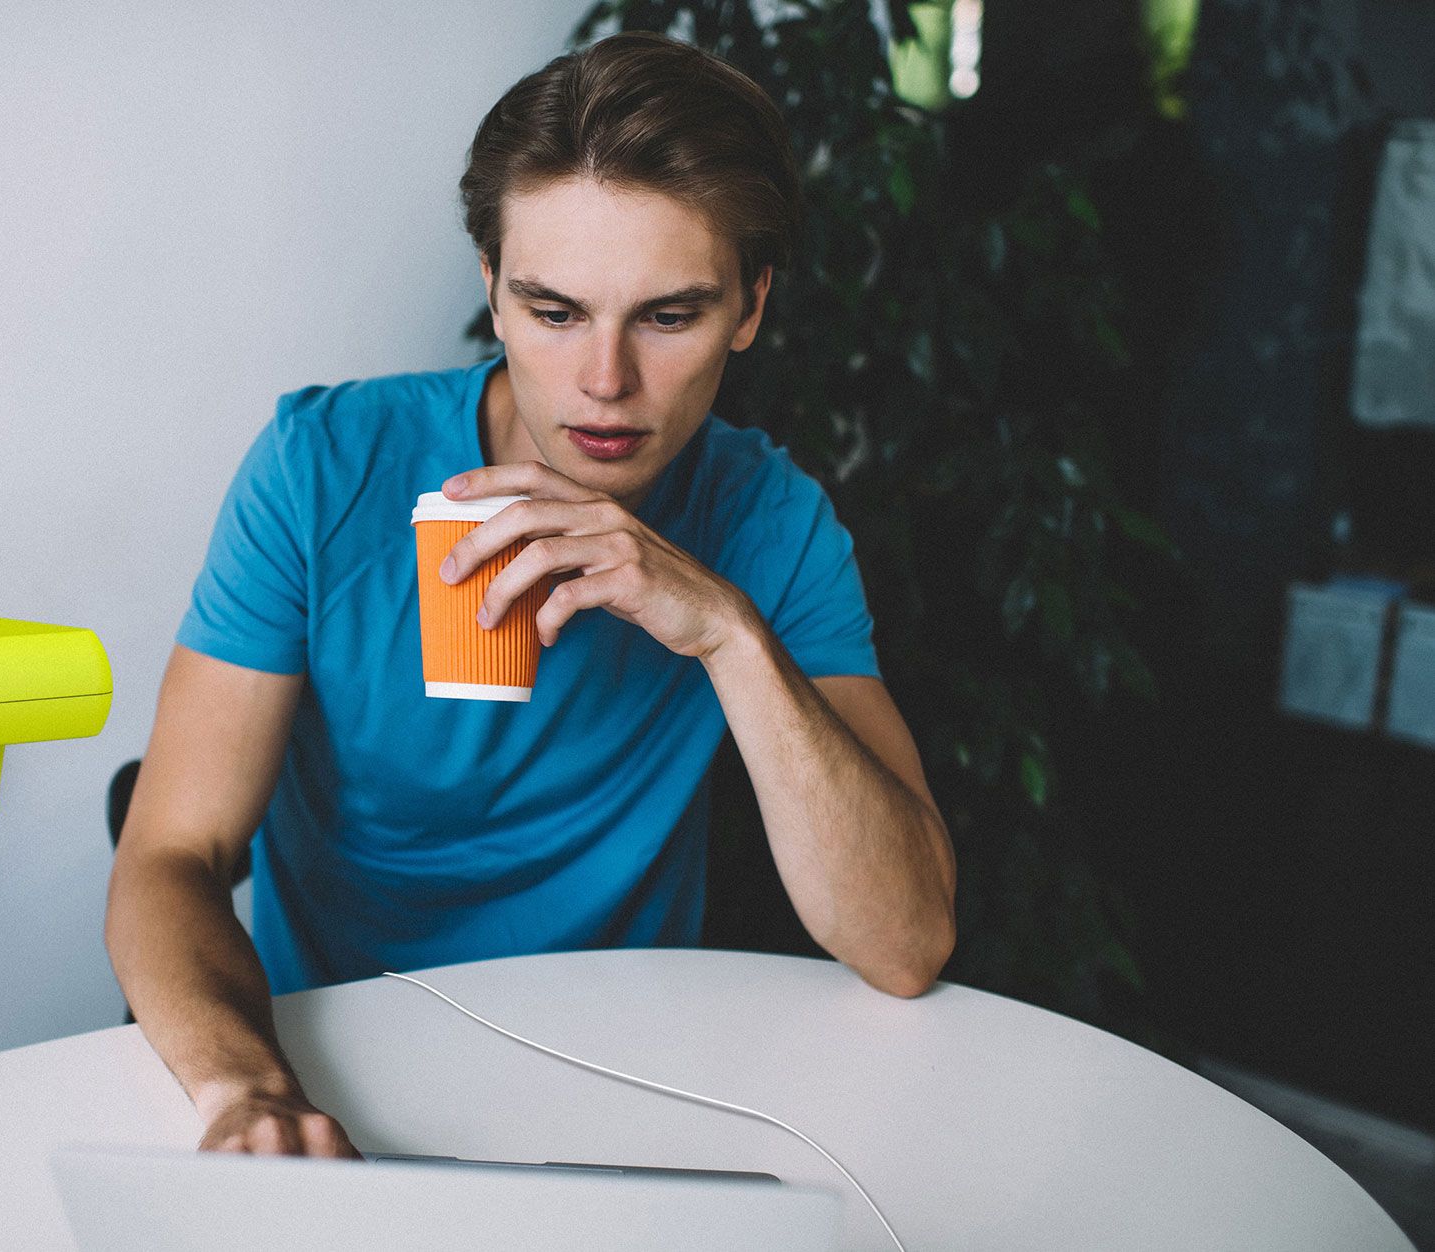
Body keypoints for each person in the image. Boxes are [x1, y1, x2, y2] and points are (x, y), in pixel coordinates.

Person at [105, 31, 956, 1161]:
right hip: (341, 1075)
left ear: (748, 308)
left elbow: (904, 944)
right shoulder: (321, 471)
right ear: (492, 294)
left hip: (623, 1085)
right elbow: (168, 856)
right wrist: (246, 1090)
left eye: (667, 316)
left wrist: (723, 630)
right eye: (554, 312)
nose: (605, 381)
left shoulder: (770, 521)